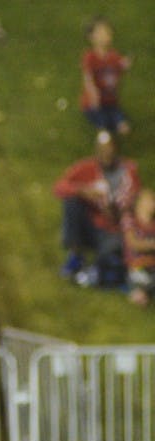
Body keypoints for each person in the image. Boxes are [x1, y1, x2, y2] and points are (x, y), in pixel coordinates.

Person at [54, 129, 140, 288]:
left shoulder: (129, 171)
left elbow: (134, 201)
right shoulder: (86, 167)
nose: (107, 154)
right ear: (96, 151)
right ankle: (76, 255)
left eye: (110, 150)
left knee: (113, 254)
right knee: (72, 201)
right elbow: (59, 187)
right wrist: (84, 191)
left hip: (115, 231)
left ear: (117, 150)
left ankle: (97, 270)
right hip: (92, 225)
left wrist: (116, 211)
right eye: (103, 150)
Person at [80, 15, 132, 136]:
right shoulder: (90, 57)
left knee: (122, 125)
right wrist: (93, 92)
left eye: (107, 32)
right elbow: (88, 77)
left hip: (110, 101)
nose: (105, 36)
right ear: (91, 37)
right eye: (101, 33)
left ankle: (116, 122)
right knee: (103, 125)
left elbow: (118, 70)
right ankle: (104, 126)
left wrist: (123, 65)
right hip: (94, 103)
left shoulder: (114, 56)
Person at [122, 188, 155, 307]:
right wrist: (151, 244)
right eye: (150, 200)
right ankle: (140, 292)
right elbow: (133, 243)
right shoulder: (130, 220)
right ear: (139, 203)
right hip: (137, 265)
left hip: (152, 265)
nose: (153, 203)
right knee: (139, 281)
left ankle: (143, 291)